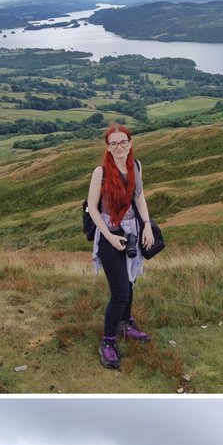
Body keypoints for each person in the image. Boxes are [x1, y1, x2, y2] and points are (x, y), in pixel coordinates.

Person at [86, 124, 155, 370]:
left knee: (131, 283)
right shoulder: (101, 172)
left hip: (132, 232)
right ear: (107, 147)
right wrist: (110, 237)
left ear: (130, 143)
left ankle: (126, 324)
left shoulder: (136, 166)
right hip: (109, 235)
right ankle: (108, 341)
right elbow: (92, 208)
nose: (118, 147)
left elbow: (139, 196)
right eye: (113, 143)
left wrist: (146, 224)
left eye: (122, 142)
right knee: (120, 293)